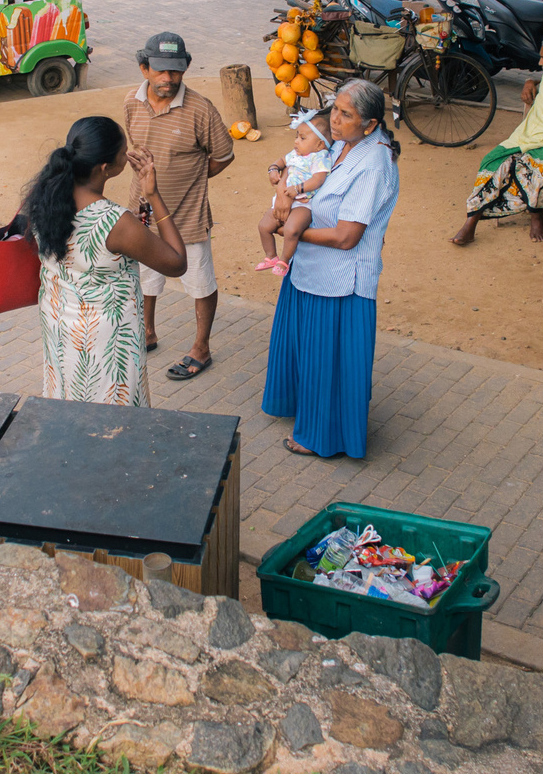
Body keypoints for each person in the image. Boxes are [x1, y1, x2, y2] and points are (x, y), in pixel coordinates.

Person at [262, 78, 401, 459]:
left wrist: (291, 233)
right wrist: (278, 169)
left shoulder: (373, 164)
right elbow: (303, 153)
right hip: (309, 270)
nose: (335, 120)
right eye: (335, 109)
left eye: (346, 114)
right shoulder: (341, 142)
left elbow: (345, 238)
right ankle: (305, 414)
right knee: (306, 353)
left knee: (328, 364)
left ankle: (321, 436)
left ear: (370, 124)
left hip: (340, 281)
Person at [24, 115, 188, 407]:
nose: (128, 154)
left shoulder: (45, 196)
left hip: (59, 325)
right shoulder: (114, 221)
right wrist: (153, 194)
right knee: (110, 415)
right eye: (124, 150)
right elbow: (176, 263)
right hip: (104, 340)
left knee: (67, 401)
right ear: (105, 168)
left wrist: (131, 231)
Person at [122, 30, 234, 381]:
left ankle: (201, 348)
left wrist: (192, 181)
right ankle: (148, 333)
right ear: (145, 68)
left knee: (199, 281)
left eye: (176, 71)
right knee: (145, 276)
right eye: (160, 71)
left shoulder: (200, 109)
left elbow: (223, 156)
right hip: (141, 211)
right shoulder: (130, 103)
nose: (168, 79)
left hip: (187, 214)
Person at [451, 35, 543, 247]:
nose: (539, 63)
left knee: (540, 171)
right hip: (524, 138)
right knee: (491, 163)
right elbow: (539, 78)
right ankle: (472, 219)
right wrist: (530, 81)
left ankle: (536, 215)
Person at [254, 109, 340, 274]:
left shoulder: (320, 157)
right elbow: (281, 161)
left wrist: (299, 188)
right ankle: (271, 256)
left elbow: (318, 179)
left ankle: (284, 261)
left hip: (303, 204)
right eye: (296, 136)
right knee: (264, 226)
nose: (296, 142)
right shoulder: (295, 154)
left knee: (291, 230)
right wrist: (273, 169)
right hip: (284, 200)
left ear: (320, 144)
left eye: (302, 138)